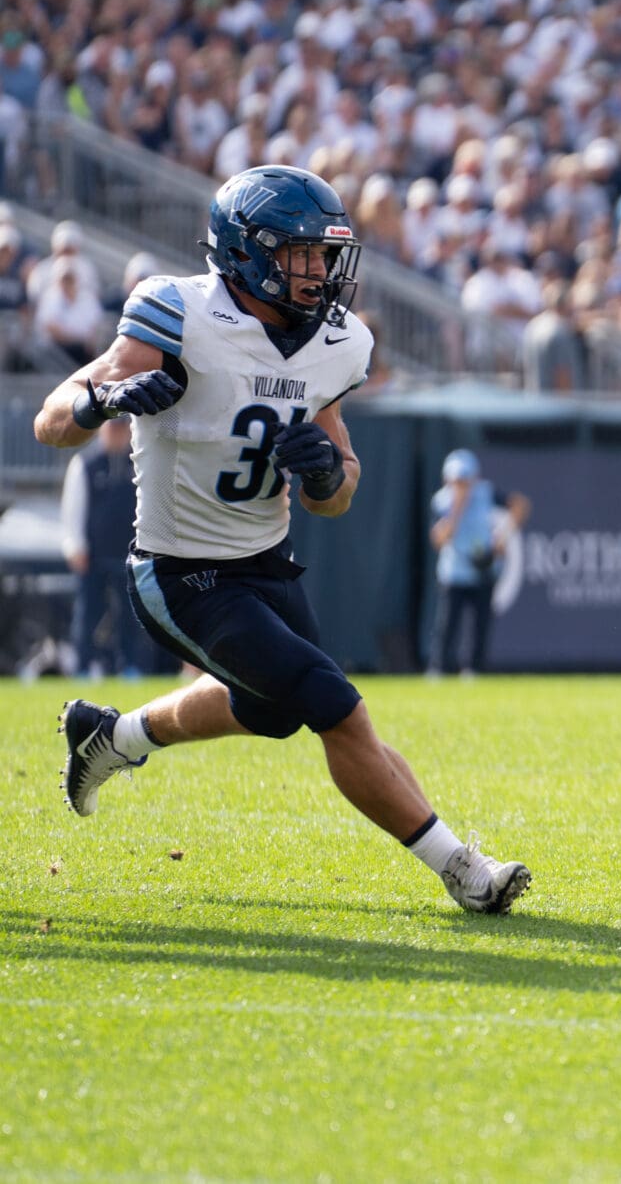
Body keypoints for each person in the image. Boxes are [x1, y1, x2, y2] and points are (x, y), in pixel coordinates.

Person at [31, 165, 530, 914]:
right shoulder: (176, 312)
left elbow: (338, 491)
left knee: (269, 708)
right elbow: (52, 421)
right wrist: (104, 400)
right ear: (247, 250)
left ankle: (112, 735)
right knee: (336, 706)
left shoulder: (336, 341)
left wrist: (326, 473)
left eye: (326, 256)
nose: (319, 272)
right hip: (180, 571)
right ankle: (462, 867)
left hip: (265, 563)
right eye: (300, 254)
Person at [57, 416, 150, 679]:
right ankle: (83, 666)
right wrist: (74, 545)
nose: (117, 434)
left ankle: (130, 666)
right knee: (88, 613)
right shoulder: (86, 463)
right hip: (94, 554)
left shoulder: (139, 463)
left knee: (130, 616)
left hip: (129, 554)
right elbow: (74, 507)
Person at [428, 449, 524, 678]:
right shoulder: (441, 501)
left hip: (482, 569)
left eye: (465, 480)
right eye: (457, 480)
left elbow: (520, 505)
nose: (461, 485)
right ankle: (438, 669)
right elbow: (439, 540)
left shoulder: (486, 492)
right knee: (447, 625)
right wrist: (457, 508)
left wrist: (502, 537)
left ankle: (473, 671)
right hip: (454, 572)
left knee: (480, 626)